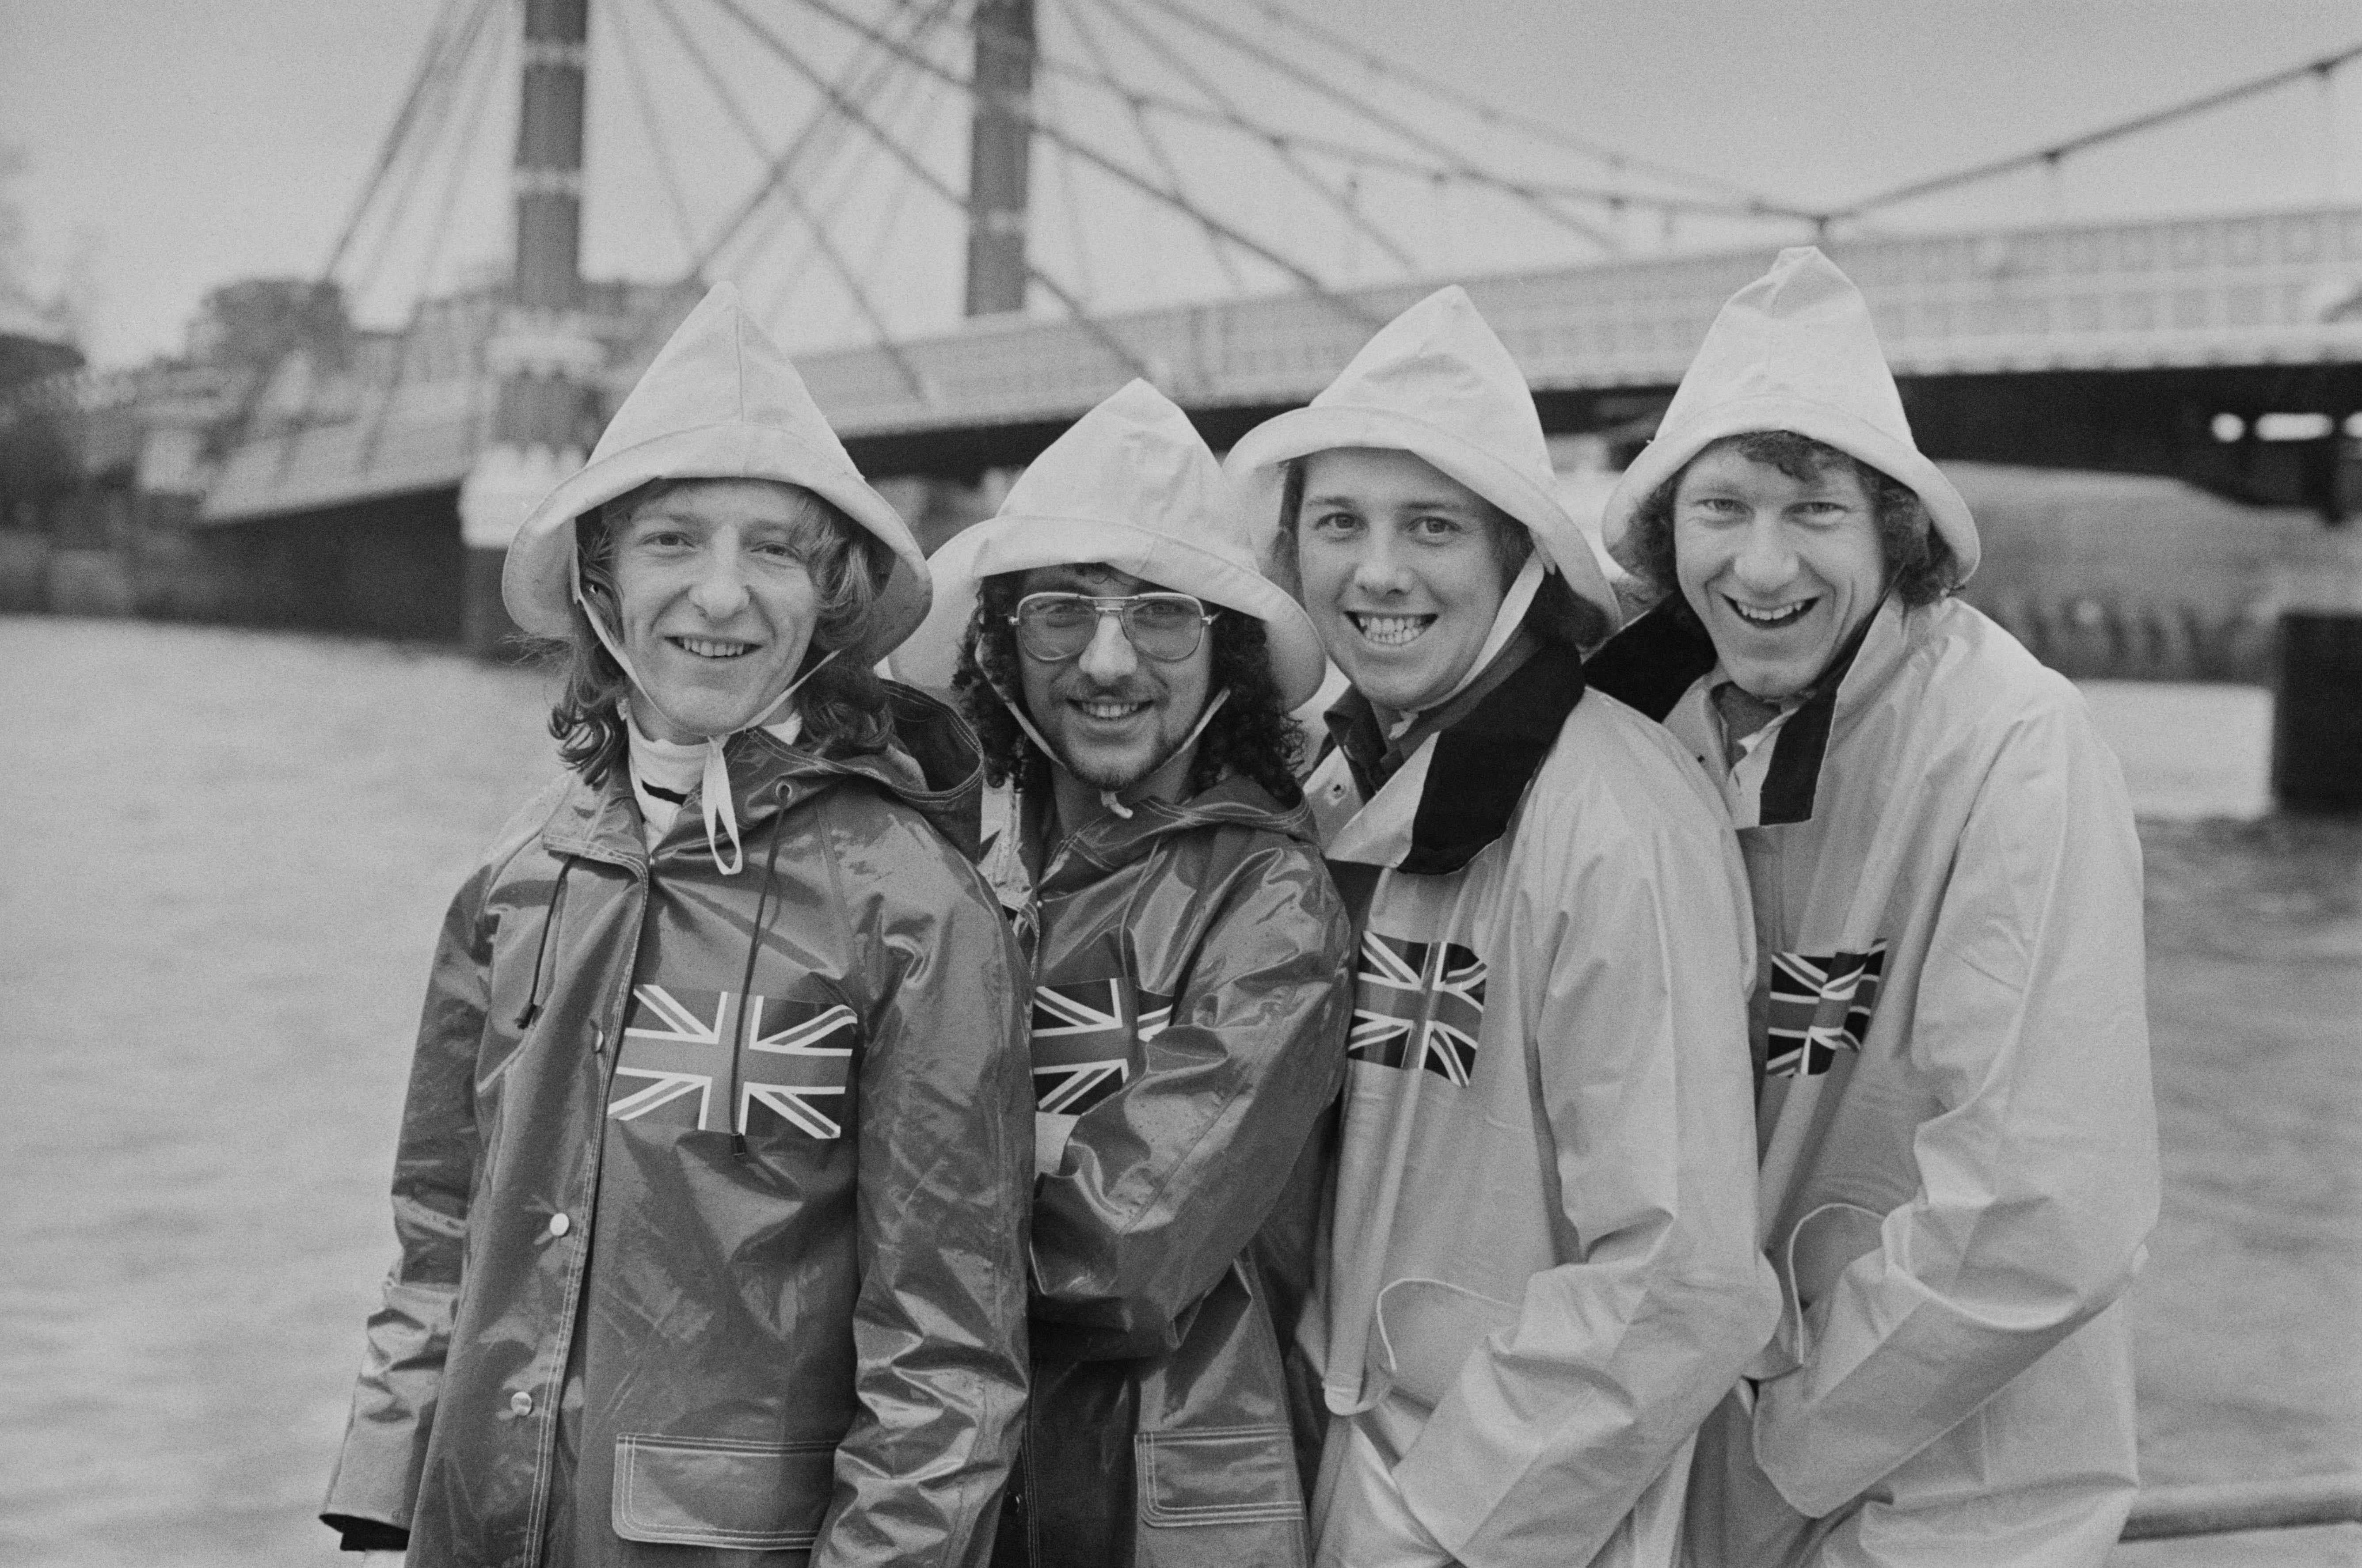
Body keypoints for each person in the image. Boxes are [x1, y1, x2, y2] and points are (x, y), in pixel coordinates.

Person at [320, 283, 1035, 1568]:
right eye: (670, 541)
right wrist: (386, 1483)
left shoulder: (917, 905)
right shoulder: (520, 874)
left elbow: (949, 1351)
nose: (721, 594)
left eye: (773, 549)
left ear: (830, 595)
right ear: (597, 582)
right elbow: (438, 1222)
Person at [1586, 246, 2160, 1567]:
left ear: (1892, 532)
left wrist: (1774, 1458)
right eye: (1719, 508)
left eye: (1813, 510)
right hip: (1702, 1472)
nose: (1761, 560)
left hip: (1951, 1503)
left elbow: (2040, 1208)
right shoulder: (1646, 734)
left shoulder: (2014, 742)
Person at [1224, 286, 1778, 1568]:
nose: (1377, 572)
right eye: (1339, 525)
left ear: (1519, 559)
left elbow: (1677, 1276)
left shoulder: (1612, 817)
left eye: (1432, 527)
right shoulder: (1323, 790)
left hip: (1489, 1524)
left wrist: (1434, 1526)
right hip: (1322, 1472)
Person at [894, 379, 1355, 1568]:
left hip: (1176, 1501)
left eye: (1161, 615)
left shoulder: (1271, 901)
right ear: (997, 642)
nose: (1107, 660)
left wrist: (881, 1190)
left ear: (1231, 653)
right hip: (948, 1494)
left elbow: (1123, 1250)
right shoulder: (939, 867)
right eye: (1059, 612)